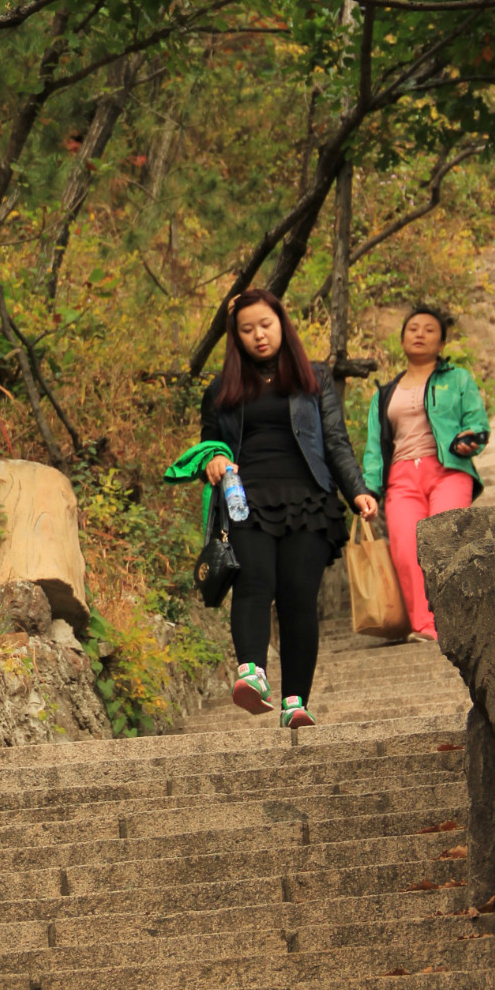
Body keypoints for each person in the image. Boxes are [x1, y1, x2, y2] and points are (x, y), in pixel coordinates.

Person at [196, 288, 376, 728]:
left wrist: (357, 491)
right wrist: (212, 461)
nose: (258, 335)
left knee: (298, 598)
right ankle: (251, 674)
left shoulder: (314, 378)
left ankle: (296, 702)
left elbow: (335, 441)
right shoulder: (221, 389)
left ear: (282, 325)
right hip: (245, 499)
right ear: (235, 337)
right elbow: (207, 449)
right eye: (247, 329)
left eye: (266, 325)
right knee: (255, 581)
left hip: (309, 500)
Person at [361, 307, 489, 644]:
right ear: (402, 339)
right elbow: (375, 448)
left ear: (442, 341)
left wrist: (469, 439)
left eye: (430, 330)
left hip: (448, 470)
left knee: (445, 541)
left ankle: (455, 618)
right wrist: (370, 491)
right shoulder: (384, 393)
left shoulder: (458, 379)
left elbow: (477, 422)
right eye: (413, 328)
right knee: (405, 549)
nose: (420, 334)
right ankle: (425, 625)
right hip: (401, 479)